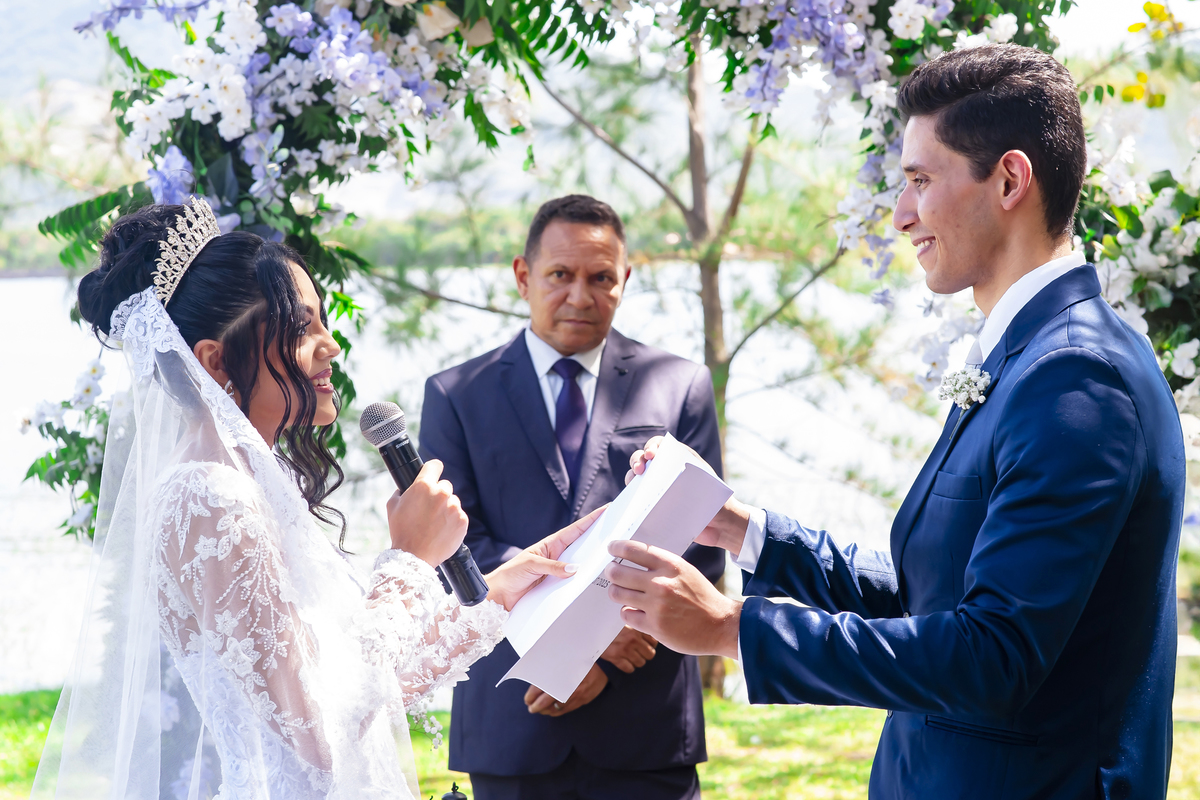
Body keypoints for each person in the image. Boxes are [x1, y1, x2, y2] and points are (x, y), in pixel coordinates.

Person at [605, 44, 1187, 799]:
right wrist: (744, 528)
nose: (901, 213)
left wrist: (732, 629)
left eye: (919, 180)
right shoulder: (1025, 354)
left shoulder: (1080, 378)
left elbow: (994, 655)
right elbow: (937, 601)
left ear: (1009, 180)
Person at [31, 199, 596, 800]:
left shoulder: (249, 477)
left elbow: (366, 685)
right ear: (214, 362)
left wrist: (500, 594)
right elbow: (317, 737)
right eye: (302, 327)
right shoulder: (206, 496)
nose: (331, 346)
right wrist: (409, 559)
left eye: (323, 322)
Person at [419, 194, 726, 799]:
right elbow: (452, 550)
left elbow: (704, 544)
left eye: (601, 278)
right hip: (512, 718)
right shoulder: (456, 395)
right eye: (560, 275)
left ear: (625, 281)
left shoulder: (679, 385)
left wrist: (601, 654)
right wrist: (569, 638)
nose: (581, 296)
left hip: (643, 721)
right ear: (523, 276)